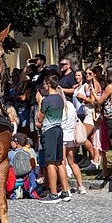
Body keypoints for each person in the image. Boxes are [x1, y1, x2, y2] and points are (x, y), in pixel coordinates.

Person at [35, 75, 70, 203]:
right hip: (59, 130)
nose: (43, 87)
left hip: (49, 131)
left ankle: (53, 193)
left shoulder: (46, 100)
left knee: (50, 162)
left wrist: (39, 101)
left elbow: (40, 118)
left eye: (44, 84)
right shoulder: (60, 99)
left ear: (48, 84)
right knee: (59, 161)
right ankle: (65, 192)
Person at [91, 66, 112, 181]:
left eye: (106, 73)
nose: (104, 75)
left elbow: (100, 101)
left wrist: (94, 94)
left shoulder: (110, 87)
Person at [61, 95, 86, 194]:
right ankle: (81, 186)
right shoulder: (71, 105)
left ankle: (65, 188)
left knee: (62, 163)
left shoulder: (59, 107)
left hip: (62, 136)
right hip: (71, 136)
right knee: (72, 162)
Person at [20, 54, 51, 133]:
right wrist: (26, 66)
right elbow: (22, 78)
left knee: (39, 125)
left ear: (42, 61)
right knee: (32, 127)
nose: (35, 61)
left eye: (37, 60)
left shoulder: (46, 72)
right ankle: (36, 144)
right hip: (32, 101)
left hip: (41, 102)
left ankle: (41, 144)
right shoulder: (33, 72)